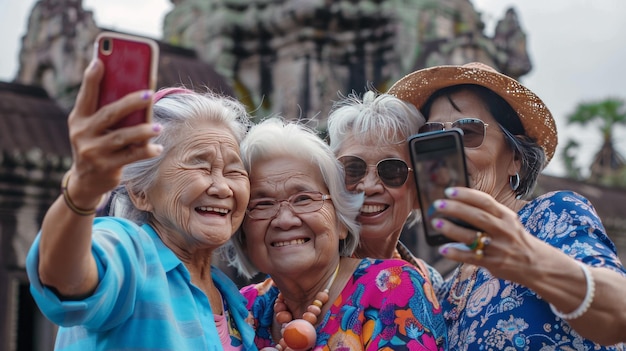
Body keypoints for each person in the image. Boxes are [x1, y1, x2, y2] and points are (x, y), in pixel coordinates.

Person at [388, 62, 626, 349]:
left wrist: (532, 261)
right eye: (432, 134)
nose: (448, 149)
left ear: (515, 157)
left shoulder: (552, 214)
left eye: (468, 132)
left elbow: (620, 309)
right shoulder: (446, 288)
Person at [25, 58, 257, 350]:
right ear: (140, 192)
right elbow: (66, 280)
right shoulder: (131, 256)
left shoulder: (233, 301)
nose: (222, 187)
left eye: (234, 171)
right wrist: (82, 192)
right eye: (200, 166)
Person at [227, 118, 447, 350]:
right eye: (262, 204)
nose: (284, 220)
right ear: (243, 232)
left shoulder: (392, 286)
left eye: (304, 199)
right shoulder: (243, 308)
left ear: (340, 221)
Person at [326, 91, 443, 294]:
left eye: (391, 170)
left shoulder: (432, 283)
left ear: (418, 188)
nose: (369, 186)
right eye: (353, 168)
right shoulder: (311, 276)